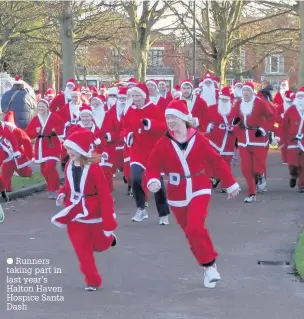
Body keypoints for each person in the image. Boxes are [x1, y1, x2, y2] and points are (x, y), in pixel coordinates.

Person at [145, 99, 240, 288]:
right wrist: (153, 180)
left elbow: (217, 161)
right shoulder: (163, 143)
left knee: (194, 228)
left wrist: (230, 184)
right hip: (176, 193)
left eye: (173, 117)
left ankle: (210, 266)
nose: (170, 121)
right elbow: (152, 166)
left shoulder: (199, 139)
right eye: (167, 118)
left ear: (183, 118)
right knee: (191, 234)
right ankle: (207, 267)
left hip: (199, 187)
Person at [51, 129, 117, 291]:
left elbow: (104, 193)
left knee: (101, 244)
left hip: (94, 210)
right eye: (67, 149)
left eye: (72, 149)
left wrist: (109, 220)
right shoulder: (68, 166)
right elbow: (67, 187)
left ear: (81, 149)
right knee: (82, 249)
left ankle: (109, 238)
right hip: (73, 212)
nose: (69, 152)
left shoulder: (94, 168)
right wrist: (61, 195)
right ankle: (92, 280)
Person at [123, 83, 170, 225]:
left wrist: (150, 124)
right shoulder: (129, 111)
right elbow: (125, 127)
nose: (135, 99)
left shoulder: (154, 109)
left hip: (153, 151)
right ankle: (141, 209)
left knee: (157, 183)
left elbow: (164, 126)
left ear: (144, 96)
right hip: (136, 151)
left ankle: (163, 214)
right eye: (133, 96)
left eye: (137, 96)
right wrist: (128, 136)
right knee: (135, 179)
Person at [233, 82, 275, 203]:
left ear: (252, 92)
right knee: (246, 168)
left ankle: (260, 176)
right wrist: (236, 120)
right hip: (243, 139)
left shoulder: (260, 103)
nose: (245, 93)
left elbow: (271, 118)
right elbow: (236, 116)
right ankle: (252, 193)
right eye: (244, 91)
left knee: (257, 167)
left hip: (257, 138)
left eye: (247, 91)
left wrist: (263, 129)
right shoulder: (239, 104)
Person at [25, 99, 64, 199]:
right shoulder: (35, 119)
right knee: (44, 171)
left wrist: (56, 130)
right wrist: (35, 130)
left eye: (43, 106)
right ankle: (52, 186)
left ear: (47, 107)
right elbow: (28, 133)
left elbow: (62, 126)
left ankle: (54, 189)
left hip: (52, 144)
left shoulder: (53, 116)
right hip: (41, 146)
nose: (41, 108)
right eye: (39, 107)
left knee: (50, 167)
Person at [281, 87, 304, 193]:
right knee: (293, 164)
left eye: (302, 96)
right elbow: (284, 126)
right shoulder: (291, 110)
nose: (301, 98)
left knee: (303, 164)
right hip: (292, 140)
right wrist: (282, 140)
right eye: (299, 96)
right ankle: (293, 175)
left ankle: (302, 185)